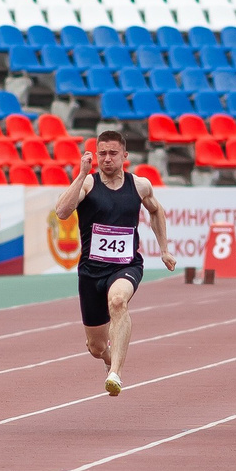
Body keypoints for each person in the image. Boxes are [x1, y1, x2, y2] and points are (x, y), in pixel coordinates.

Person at [50, 129, 171, 396]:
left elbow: (156, 210)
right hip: (91, 271)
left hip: (126, 265)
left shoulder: (139, 185)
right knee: (95, 346)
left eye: (113, 153)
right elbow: (61, 211)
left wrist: (164, 250)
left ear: (124, 156)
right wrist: (81, 173)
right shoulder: (88, 184)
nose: (107, 159)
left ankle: (116, 372)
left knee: (118, 301)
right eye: (102, 153)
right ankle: (107, 360)